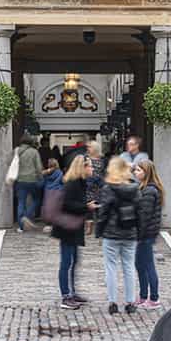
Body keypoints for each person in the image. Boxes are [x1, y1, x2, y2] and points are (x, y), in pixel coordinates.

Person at [96, 156, 143, 315]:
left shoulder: (108, 188)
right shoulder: (135, 188)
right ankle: (130, 302)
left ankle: (113, 302)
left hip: (112, 233)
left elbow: (103, 212)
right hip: (130, 233)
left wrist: (99, 230)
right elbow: (140, 212)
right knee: (129, 267)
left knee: (111, 267)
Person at [52, 155, 96, 310]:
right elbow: (68, 205)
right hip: (67, 228)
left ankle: (72, 292)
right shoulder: (71, 184)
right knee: (66, 262)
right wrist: (86, 207)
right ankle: (66, 296)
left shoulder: (80, 183)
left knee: (74, 261)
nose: (92, 169)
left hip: (73, 227)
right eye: (90, 166)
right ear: (82, 167)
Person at [133, 159, 163, 309]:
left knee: (148, 265)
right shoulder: (144, 188)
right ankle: (144, 295)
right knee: (140, 264)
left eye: (138, 170)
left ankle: (154, 298)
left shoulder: (149, 190)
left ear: (146, 172)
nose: (135, 172)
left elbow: (144, 216)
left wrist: (138, 236)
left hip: (146, 234)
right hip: (144, 234)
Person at [14, 134, 43, 232]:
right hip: (32, 180)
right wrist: (41, 178)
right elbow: (39, 168)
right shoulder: (34, 152)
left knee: (21, 202)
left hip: (20, 180)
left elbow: (9, 163)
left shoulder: (16, 151)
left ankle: (21, 227)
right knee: (37, 199)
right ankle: (26, 216)